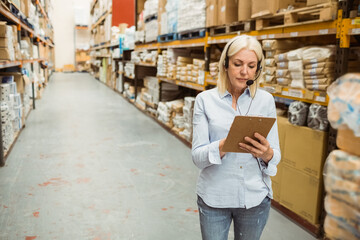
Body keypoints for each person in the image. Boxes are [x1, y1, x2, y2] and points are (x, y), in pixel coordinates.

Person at [192, 35, 281, 240]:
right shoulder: (205, 101)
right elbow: (197, 157)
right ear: (225, 65)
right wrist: (224, 145)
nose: (244, 72)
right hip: (215, 196)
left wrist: (267, 153)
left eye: (251, 66)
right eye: (237, 64)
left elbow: (276, 155)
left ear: (257, 69)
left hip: (254, 197)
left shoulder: (265, 101)